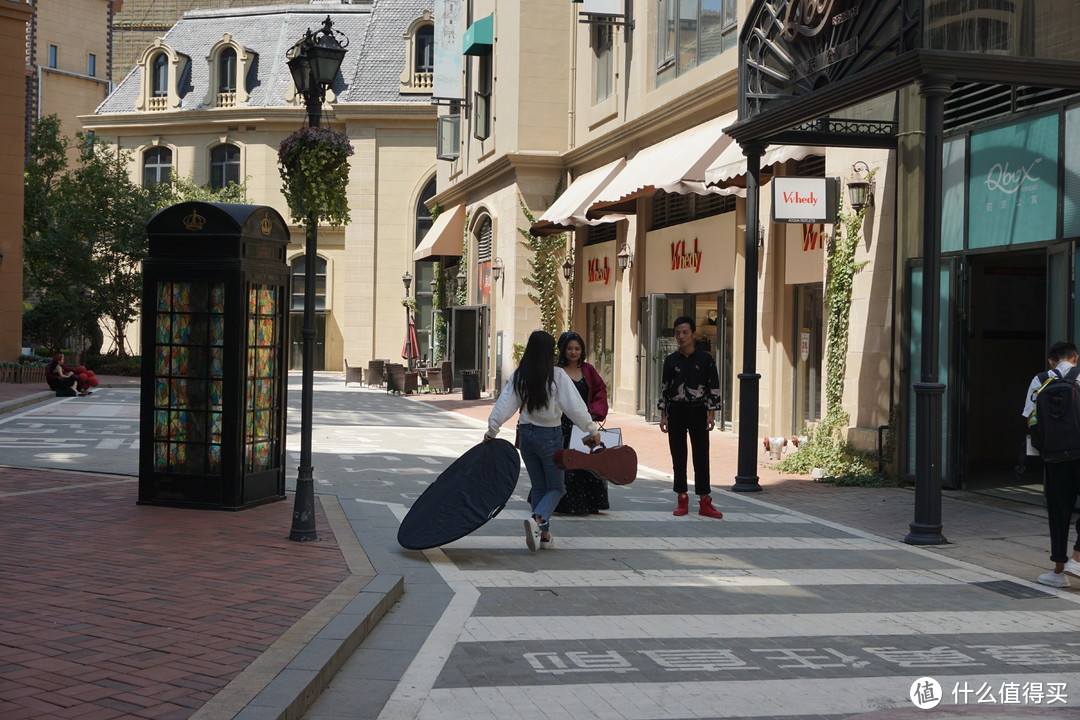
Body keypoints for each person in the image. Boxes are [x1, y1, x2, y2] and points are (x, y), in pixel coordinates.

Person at [485, 330, 601, 551]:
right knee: (557, 487)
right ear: (550, 351)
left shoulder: (521, 374)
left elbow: (505, 404)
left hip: (526, 435)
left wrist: (492, 430)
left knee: (539, 486)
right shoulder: (556, 375)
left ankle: (544, 535)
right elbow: (575, 407)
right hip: (549, 435)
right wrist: (591, 429)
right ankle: (537, 520)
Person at [1024, 341, 1080, 588]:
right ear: (1076, 358)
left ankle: (1058, 572)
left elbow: (1029, 417)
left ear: (1051, 361)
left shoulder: (1040, 380)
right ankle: (1077, 558)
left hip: (1055, 457)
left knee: (1058, 513)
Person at [658, 315, 724, 519]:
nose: (681, 336)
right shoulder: (670, 361)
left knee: (701, 455)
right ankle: (682, 498)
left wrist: (711, 414)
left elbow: (714, 386)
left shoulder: (705, 359)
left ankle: (705, 501)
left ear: (693, 334)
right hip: (676, 411)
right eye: (678, 333)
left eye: (685, 332)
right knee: (678, 456)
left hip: (698, 411)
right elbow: (664, 389)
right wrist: (663, 415)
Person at [554, 331, 610, 516]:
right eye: (569, 348)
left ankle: (591, 502)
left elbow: (600, 391)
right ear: (562, 350)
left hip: (585, 424)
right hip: (561, 425)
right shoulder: (556, 371)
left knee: (589, 463)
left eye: (577, 348)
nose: (573, 352)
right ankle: (564, 503)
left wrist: (595, 414)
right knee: (566, 464)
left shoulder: (588, 370)